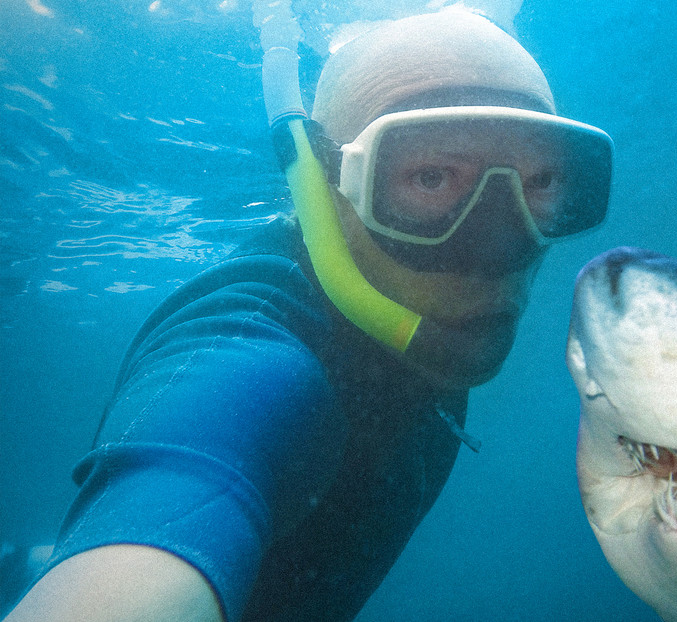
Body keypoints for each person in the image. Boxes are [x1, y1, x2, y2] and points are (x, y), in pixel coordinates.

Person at [3, 8, 612, 622]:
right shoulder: (253, 358)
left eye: (543, 180)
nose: (497, 250)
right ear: (325, 185)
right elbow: (187, 465)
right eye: (431, 177)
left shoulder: (415, 322)